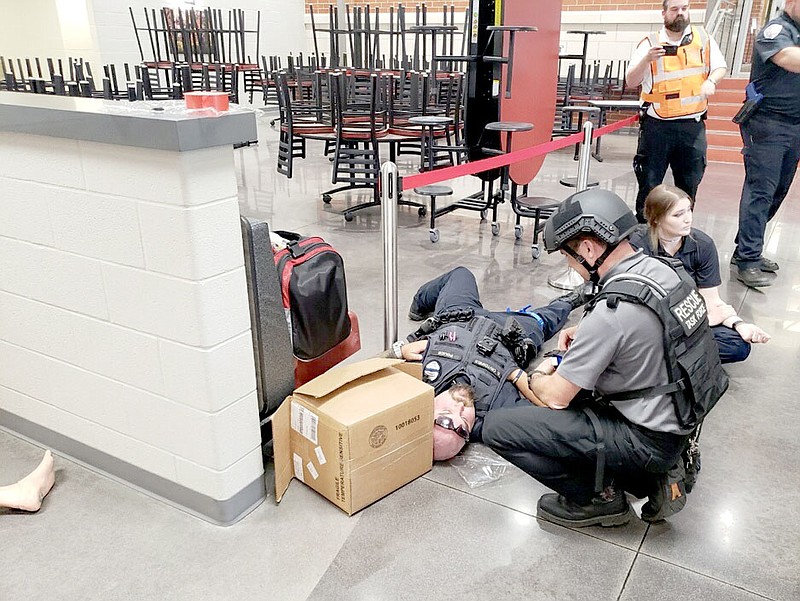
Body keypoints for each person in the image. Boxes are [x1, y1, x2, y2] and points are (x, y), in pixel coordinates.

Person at [480, 188, 728, 527]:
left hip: (644, 440)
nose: (571, 265)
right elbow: (645, 331)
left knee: (500, 426)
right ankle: (648, 472)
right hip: (677, 422)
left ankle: (598, 499)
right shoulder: (663, 271)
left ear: (587, 247)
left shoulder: (611, 314)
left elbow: (554, 397)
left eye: (568, 255)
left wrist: (541, 368)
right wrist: (587, 333)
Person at [387, 266, 588, 461]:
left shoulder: (414, 386)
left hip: (458, 315)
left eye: (447, 413)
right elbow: (552, 408)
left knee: (461, 274)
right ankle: (570, 300)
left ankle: (419, 304)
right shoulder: (496, 409)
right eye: (464, 421)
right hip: (510, 332)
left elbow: (368, 374)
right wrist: (520, 376)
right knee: (545, 320)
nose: (460, 406)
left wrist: (401, 349)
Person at [631, 184, 770, 362]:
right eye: (678, 215)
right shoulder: (636, 245)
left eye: (689, 210)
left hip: (687, 316)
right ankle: (672, 357)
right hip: (647, 319)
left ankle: (659, 358)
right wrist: (702, 321)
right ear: (656, 218)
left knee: (737, 346)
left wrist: (739, 324)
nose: (688, 219)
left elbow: (712, 302)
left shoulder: (703, 245)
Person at [625, 0, 727, 223]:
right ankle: (645, 233)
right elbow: (631, 80)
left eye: (684, 8)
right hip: (657, 126)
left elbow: (720, 65)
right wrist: (646, 59)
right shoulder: (650, 43)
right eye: (674, 9)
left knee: (689, 184)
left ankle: (681, 234)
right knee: (649, 184)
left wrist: (712, 80)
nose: (680, 13)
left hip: (692, 126)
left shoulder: (704, 39)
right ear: (664, 14)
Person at [731, 0, 800, 288]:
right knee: (761, 191)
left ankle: (745, 248)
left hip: (794, 125)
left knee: (778, 191)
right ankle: (748, 259)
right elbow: (787, 58)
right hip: (767, 124)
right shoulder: (775, 29)